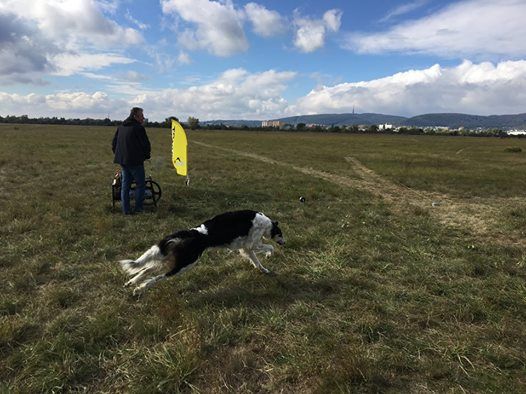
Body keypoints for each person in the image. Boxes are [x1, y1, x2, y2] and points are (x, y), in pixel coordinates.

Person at [112, 107, 151, 214]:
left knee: (125, 186)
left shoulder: (121, 127)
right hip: (135, 162)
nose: (143, 118)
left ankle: (126, 210)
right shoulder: (138, 128)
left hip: (123, 161)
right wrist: (146, 156)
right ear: (135, 116)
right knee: (140, 184)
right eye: (142, 116)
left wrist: (118, 154)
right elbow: (145, 145)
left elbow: (114, 143)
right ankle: (138, 208)